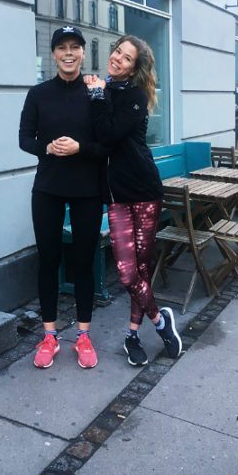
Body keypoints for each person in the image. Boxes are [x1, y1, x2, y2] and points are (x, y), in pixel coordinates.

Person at [85, 35, 182, 366]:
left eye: (126, 58)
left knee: (140, 268)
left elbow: (109, 135)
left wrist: (97, 94)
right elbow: (97, 138)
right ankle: (160, 321)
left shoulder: (136, 97)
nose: (117, 59)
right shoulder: (101, 92)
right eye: (117, 52)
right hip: (115, 198)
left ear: (134, 68)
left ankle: (131, 335)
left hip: (144, 192)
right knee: (128, 274)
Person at [19, 26, 106, 369]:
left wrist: (81, 147)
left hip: (87, 190)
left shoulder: (96, 93)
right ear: (53, 54)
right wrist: (48, 148)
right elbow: (25, 138)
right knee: (49, 260)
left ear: (83, 53)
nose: (68, 53)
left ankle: (83, 335)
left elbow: (106, 145)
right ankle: (50, 335)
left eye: (75, 47)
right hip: (48, 189)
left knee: (84, 261)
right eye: (61, 48)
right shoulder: (38, 93)